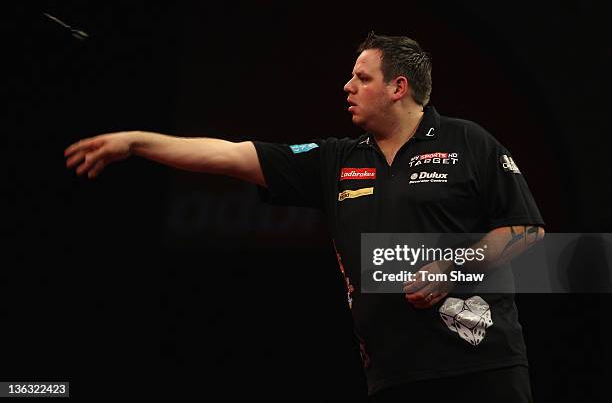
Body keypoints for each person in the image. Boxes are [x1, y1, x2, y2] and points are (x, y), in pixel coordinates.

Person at [65, 32, 545, 402]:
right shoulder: (334, 159)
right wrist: (136, 142)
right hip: (394, 377)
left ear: (399, 87)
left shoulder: (468, 141)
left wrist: (451, 267)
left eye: (362, 77)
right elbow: (230, 155)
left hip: (484, 368)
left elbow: (527, 229)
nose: (347, 86)